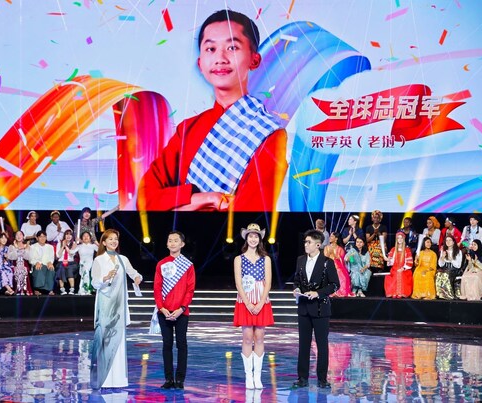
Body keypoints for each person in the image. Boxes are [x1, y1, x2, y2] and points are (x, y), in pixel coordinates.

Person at [137, 9, 287, 212]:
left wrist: (178, 205)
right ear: (200, 63)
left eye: (232, 47)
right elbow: (145, 198)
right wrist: (204, 198)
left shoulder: (269, 134)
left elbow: (250, 216)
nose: (220, 58)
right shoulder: (187, 129)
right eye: (210, 49)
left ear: (254, 60)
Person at [90, 229, 142, 389]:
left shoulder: (123, 259)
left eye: (116, 239)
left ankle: (118, 379)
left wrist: (137, 278)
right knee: (105, 340)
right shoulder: (99, 260)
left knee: (118, 342)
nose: (114, 241)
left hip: (119, 306)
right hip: (105, 305)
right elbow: (94, 283)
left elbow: (133, 273)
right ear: (104, 242)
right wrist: (104, 278)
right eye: (110, 239)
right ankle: (103, 379)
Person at [292, 229, 340, 389]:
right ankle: (302, 378)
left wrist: (318, 293)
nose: (306, 244)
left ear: (318, 245)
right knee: (303, 344)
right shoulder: (300, 260)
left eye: (309, 242)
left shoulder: (327, 262)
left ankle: (322, 379)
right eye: (305, 242)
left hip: (320, 309)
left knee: (322, 345)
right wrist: (296, 289)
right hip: (304, 308)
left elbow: (335, 285)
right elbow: (297, 280)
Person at [233, 224, 274, 389]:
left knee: (260, 337)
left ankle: (257, 376)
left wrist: (261, 302)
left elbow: (268, 282)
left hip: (261, 299)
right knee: (247, 337)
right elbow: (238, 283)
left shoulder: (266, 259)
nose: (253, 239)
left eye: (256, 236)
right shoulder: (239, 259)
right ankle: (248, 376)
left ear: (260, 239)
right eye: (250, 236)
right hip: (245, 300)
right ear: (246, 238)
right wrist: (248, 303)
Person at [153, 231, 195, 390]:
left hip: (181, 312)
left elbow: (190, 289)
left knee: (182, 344)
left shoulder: (188, 265)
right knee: (167, 345)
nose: (172, 243)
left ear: (182, 244)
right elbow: (157, 288)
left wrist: (182, 308)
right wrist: (161, 308)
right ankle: (169, 379)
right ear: (167, 244)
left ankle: (180, 379)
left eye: (176, 240)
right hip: (164, 311)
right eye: (170, 240)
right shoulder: (161, 264)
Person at [383, 231, 414, 298]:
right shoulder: (393, 249)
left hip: (404, 269)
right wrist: (388, 260)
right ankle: (394, 292)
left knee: (400, 273)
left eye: (401, 238)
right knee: (396, 273)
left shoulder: (407, 250)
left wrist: (403, 268)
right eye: (398, 238)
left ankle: (400, 292)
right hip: (394, 268)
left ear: (403, 239)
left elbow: (409, 262)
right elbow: (391, 262)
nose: (399, 239)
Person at [324, 232, 351, 297]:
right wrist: (329, 253)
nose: (330, 237)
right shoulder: (327, 247)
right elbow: (325, 258)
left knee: (341, 274)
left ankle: (339, 291)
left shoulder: (340, 249)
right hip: (328, 266)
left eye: (331, 236)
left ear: (336, 239)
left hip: (338, 267)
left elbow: (341, 260)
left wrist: (333, 254)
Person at [29, 230, 56, 295]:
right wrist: (36, 262)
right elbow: (30, 259)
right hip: (37, 264)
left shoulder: (50, 247)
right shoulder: (32, 247)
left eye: (44, 236)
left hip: (47, 264)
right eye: (40, 237)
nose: (42, 238)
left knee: (51, 269)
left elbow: (51, 258)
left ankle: (49, 289)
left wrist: (50, 262)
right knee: (39, 268)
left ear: (46, 237)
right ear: (37, 238)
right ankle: (37, 289)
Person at [436, 235, 463, 300]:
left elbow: (458, 265)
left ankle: (449, 294)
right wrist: (442, 257)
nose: (448, 242)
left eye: (450, 240)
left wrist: (451, 259)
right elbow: (440, 265)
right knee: (438, 274)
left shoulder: (458, 251)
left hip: (454, 269)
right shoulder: (443, 251)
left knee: (446, 274)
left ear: (453, 242)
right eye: (446, 240)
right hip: (445, 268)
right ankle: (441, 294)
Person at [7, 231, 32, 295]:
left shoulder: (27, 246)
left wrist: (25, 249)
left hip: (24, 265)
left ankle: (24, 290)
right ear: (15, 237)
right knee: (16, 270)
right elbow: (11, 257)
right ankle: (17, 290)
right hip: (14, 265)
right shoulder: (11, 246)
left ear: (23, 237)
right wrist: (16, 248)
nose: (19, 236)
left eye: (20, 234)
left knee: (23, 269)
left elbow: (28, 257)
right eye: (17, 235)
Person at [55, 229, 77, 295]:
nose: (68, 236)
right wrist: (62, 246)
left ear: (72, 236)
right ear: (64, 235)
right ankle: (62, 289)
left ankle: (72, 289)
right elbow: (58, 255)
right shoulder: (59, 243)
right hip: (61, 262)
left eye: (70, 234)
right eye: (67, 234)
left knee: (69, 269)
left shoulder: (74, 244)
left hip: (71, 262)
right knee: (61, 268)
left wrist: (66, 246)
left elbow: (71, 254)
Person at [76, 231, 98, 295]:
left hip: (90, 263)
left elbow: (101, 251)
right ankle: (83, 290)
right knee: (84, 275)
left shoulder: (93, 246)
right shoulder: (79, 246)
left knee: (86, 273)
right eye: (84, 236)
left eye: (87, 236)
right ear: (81, 238)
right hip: (82, 264)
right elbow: (71, 252)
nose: (86, 237)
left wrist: (98, 244)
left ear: (90, 238)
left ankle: (87, 290)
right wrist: (73, 246)